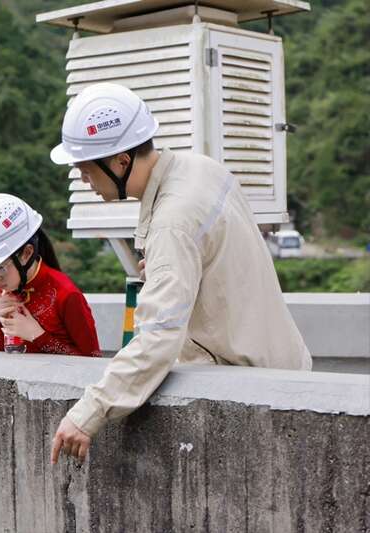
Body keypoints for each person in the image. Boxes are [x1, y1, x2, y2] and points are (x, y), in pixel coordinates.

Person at [48, 83, 312, 463]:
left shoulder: (172, 222)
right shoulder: (200, 169)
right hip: (284, 366)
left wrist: (87, 413)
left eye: (86, 170)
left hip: (257, 396)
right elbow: (219, 260)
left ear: (120, 162)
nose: (85, 182)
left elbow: (158, 337)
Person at [0, 193, 100, 356]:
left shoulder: (66, 295)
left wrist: (38, 335)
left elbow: (93, 359)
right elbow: (1, 354)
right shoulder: (6, 289)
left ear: (27, 253)